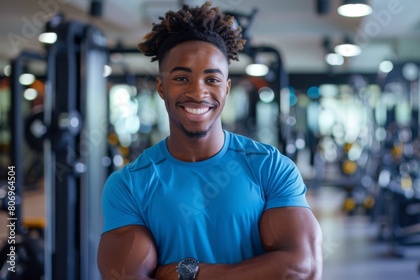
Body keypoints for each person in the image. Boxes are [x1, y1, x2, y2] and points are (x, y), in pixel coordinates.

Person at [97, 2, 323, 279]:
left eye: (212, 79)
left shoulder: (270, 167)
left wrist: (192, 273)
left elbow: (303, 267)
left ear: (226, 88)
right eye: (181, 78)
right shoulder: (129, 185)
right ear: (161, 87)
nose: (198, 92)